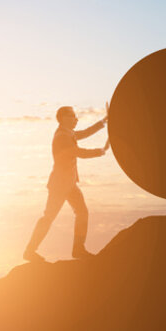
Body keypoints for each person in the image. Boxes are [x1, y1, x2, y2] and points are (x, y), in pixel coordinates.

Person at [23, 105, 110, 262]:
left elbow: (84, 133)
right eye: (73, 116)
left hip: (68, 184)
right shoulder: (62, 137)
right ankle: (30, 251)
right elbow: (78, 152)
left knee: (81, 212)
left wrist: (103, 122)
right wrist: (100, 151)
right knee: (49, 217)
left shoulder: (67, 133)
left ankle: (78, 249)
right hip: (60, 185)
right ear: (63, 118)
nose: (76, 119)